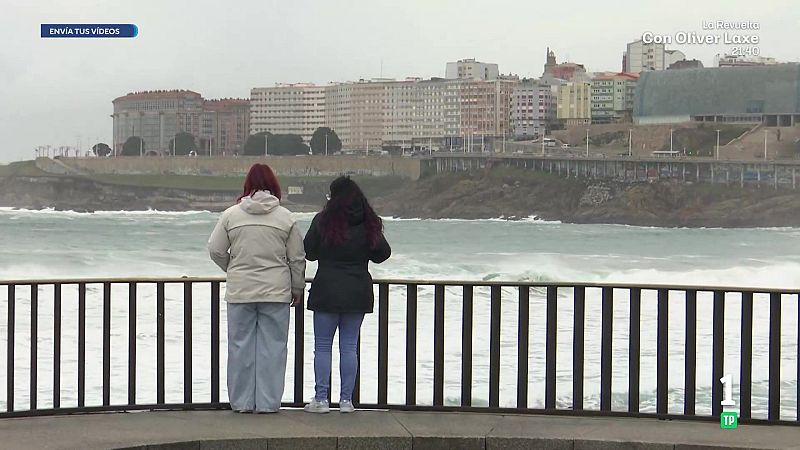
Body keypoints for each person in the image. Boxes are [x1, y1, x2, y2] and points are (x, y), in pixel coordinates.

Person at [207, 163, 306, 413]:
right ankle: (268, 403)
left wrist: (233, 268)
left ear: (247, 185)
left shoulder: (231, 215)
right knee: (273, 348)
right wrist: (296, 287)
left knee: (240, 347)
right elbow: (297, 258)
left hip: (241, 290)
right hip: (276, 291)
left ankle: (241, 403)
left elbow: (216, 249)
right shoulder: (285, 217)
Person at [303, 176, 391, 414]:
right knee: (349, 346)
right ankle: (346, 401)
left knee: (323, 347)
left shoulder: (323, 221)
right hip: (357, 290)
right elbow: (383, 254)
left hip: (326, 290)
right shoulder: (368, 222)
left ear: (333, 197)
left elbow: (309, 251)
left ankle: (321, 399)